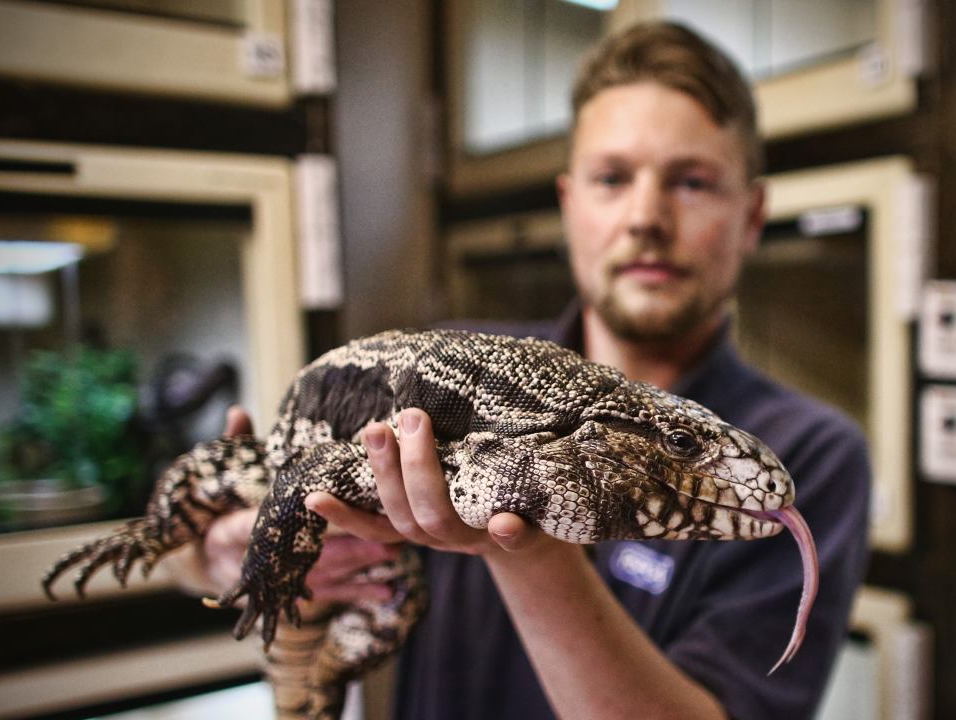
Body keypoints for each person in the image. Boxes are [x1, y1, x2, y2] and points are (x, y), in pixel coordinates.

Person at [178, 21, 871, 719]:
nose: (646, 217)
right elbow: (204, 548)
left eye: (692, 182)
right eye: (612, 178)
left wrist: (530, 551)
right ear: (570, 204)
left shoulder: (813, 456)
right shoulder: (445, 372)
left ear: (752, 216)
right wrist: (230, 546)